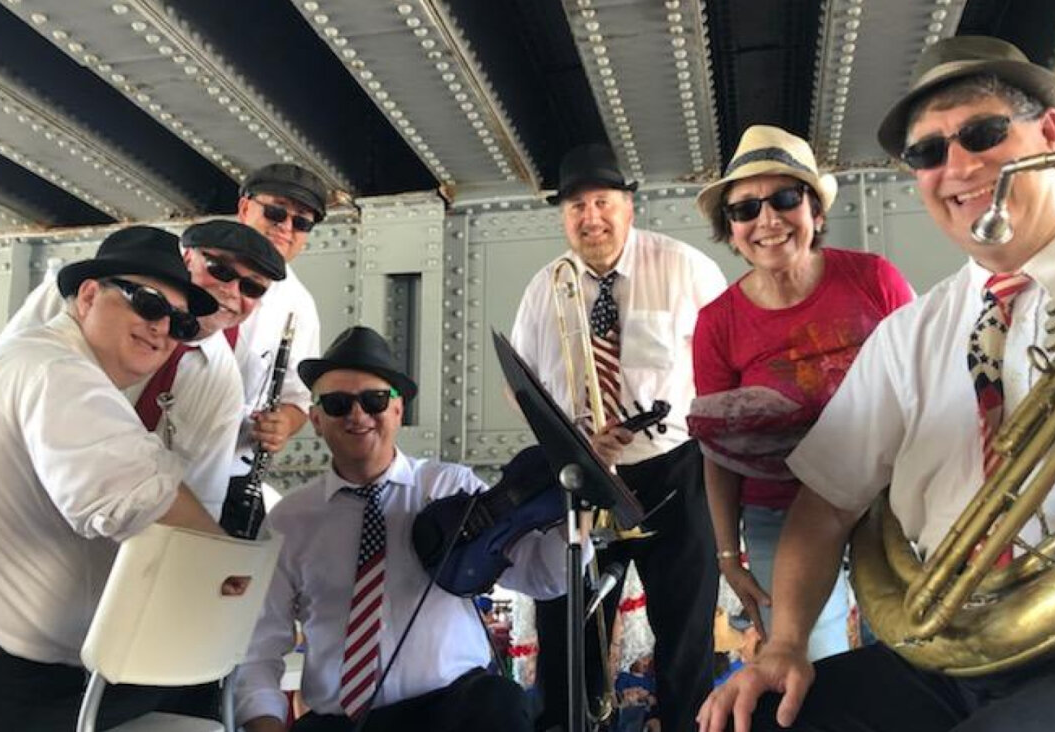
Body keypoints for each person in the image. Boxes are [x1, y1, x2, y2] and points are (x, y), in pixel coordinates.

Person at [697, 35, 1055, 732]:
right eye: (927, 153)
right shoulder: (910, 335)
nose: (956, 166)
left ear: (1050, 133)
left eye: (983, 133)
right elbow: (828, 504)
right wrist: (783, 647)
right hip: (956, 646)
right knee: (767, 720)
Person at [0, 226, 228, 731]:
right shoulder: (57, 370)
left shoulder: (40, 363)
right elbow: (144, 505)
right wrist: (230, 573)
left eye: (181, 323)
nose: (162, 328)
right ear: (90, 294)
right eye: (147, 303)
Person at [235, 326, 579, 732]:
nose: (358, 414)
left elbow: (545, 577)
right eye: (338, 403)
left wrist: (577, 512)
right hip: (343, 723)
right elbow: (258, 648)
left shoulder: (452, 487)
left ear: (398, 411)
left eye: (375, 400)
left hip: (453, 711)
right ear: (315, 419)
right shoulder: (287, 521)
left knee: (500, 702)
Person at [511, 142, 727, 732]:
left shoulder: (685, 268)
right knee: (568, 626)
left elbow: (724, 365)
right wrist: (572, 441)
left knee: (685, 631)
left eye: (602, 202)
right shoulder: (544, 288)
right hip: (584, 480)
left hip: (673, 470)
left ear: (629, 207)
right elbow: (523, 386)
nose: (591, 218)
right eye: (576, 207)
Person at [689, 126, 913, 660]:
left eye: (785, 198)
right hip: (779, 516)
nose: (767, 220)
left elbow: (926, 385)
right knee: (807, 662)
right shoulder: (717, 324)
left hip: (892, 501)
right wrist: (728, 554)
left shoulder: (873, 279)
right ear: (732, 230)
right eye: (745, 210)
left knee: (914, 648)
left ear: (814, 210)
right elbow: (719, 452)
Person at [0, 219, 286, 518]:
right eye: (220, 270)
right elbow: (4, 376)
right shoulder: (59, 309)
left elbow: (201, 500)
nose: (232, 291)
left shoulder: (223, 385)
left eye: (252, 287)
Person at [231, 163, 328, 465]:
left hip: (231, 465)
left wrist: (283, 424)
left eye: (301, 223)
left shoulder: (300, 307)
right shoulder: (188, 263)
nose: (286, 227)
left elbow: (297, 398)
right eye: (276, 212)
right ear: (245, 209)